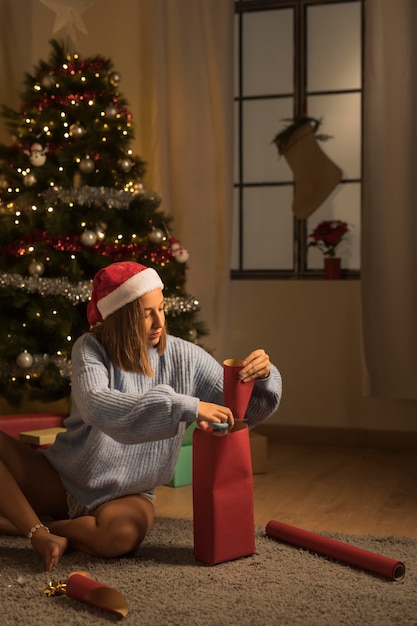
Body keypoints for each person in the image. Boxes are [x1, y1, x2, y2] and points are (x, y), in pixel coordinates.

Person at [0, 261, 282, 571]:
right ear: (121, 316)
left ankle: (30, 526)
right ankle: (39, 532)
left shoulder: (185, 356)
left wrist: (261, 376)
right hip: (63, 479)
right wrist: (184, 405)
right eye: (146, 313)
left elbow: (241, 413)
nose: (158, 322)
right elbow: (98, 404)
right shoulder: (90, 348)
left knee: (120, 537)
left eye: (161, 309)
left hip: (128, 495)